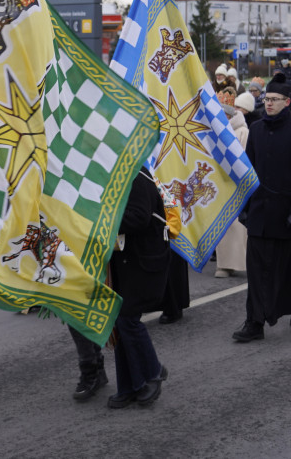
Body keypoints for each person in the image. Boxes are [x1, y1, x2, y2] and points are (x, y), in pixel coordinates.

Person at [233, 73, 291, 342]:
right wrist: (245, 206)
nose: (268, 103)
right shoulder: (256, 129)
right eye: (266, 99)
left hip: (289, 211)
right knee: (257, 271)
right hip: (260, 212)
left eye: (274, 99)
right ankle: (254, 322)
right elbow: (249, 172)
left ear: (287, 102)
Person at [107, 167, 169, 408]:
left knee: (127, 318)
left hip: (145, 260)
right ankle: (128, 386)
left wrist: (102, 222)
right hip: (126, 260)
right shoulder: (117, 173)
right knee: (119, 319)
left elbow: (139, 217)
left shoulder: (136, 174)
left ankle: (153, 372)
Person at [215, 103, 248, 278]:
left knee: (235, 224)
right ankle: (224, 263)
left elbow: (243, 157)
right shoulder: (215, 131)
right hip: (217, 182)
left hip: (235, 182)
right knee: (222, 223)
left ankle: (234, 263)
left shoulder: (242, 131)